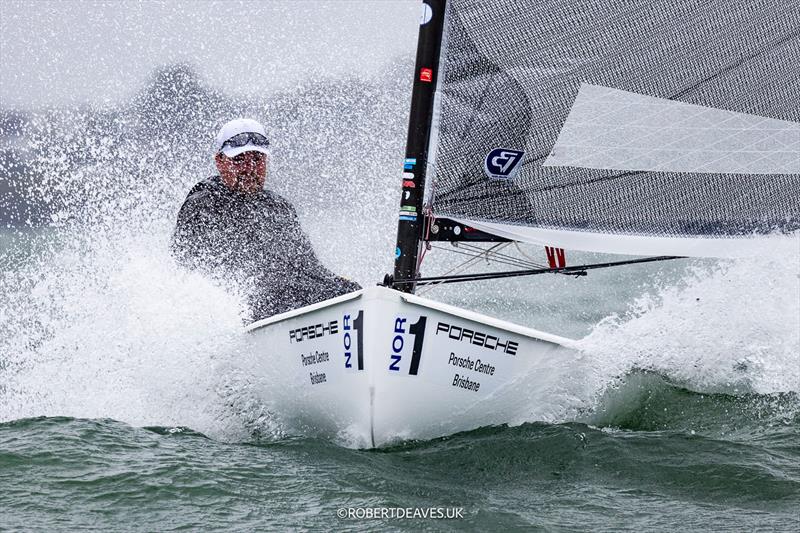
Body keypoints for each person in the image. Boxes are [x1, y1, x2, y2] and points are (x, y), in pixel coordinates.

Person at [171, 118, 361, 321]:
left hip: (284, 300)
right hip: (242, 309)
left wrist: (347, 288)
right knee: (281, 290)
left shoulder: (279, 208)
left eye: (257, 159)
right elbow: (188, 269)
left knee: (348, 290)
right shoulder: (203, 204)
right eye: (239, 160)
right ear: (220, 162)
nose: (249, 168)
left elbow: (310, 267)